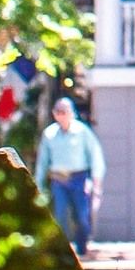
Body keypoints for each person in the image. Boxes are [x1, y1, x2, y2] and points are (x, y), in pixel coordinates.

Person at [35, 91, 104, 253]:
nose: (62, 115)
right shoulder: (49, 134)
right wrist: (37, 184)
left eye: (65, 112)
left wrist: (96, 180)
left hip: (79, 178)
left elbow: (95, 155)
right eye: (58, 112)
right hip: (59, 179)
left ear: (72, 113)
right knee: (60, 216)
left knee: (82, 217)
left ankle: (82, 247)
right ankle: (63, 251)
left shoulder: (83, 132)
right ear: (54, 114)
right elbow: (43, 161)